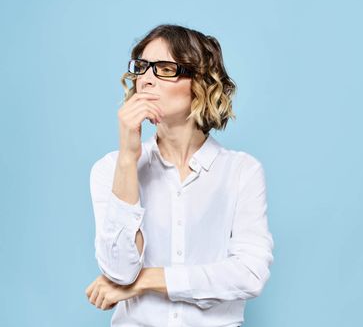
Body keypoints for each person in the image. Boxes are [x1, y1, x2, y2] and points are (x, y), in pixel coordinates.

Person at [85, 24, 274, 327]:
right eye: (142, 68)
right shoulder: (110, 168)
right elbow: (119, 272)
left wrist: (145, 281)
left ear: (200, 83)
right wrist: (127, 161)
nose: (146, 80)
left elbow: (249, 274)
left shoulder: (241, 172)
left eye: (164, 69)